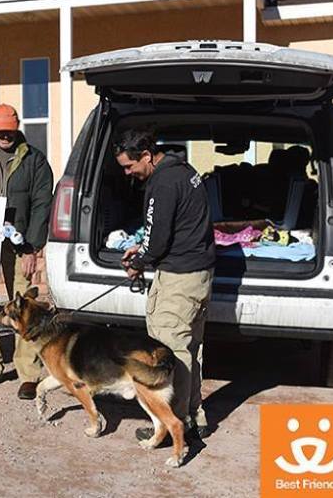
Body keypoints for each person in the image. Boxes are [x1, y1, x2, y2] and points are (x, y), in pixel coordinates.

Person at [115, 129, 215, 440]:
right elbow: (165, 232)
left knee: (170, 351)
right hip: (199, 273)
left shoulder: (163, 183)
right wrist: (143, 250)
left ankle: (175, 423)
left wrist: (137, 262)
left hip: (179, 279)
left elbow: (157, 241)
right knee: (191, 348)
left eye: (130, 166)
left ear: (146, 156)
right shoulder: (185, 171)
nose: (127, 173)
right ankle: (195, 415)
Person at [0, 104, 53, 400]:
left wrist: (32, 246)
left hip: (20, 243)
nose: (4, 135)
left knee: (25, 306)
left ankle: (28, 373)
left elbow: (43, 203)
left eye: (9, 130)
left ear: (17, 128)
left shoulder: (35, 160)